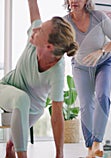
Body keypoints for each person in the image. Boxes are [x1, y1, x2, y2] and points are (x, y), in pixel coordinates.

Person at [0, 0, 78, 158]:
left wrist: (59, 155)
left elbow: (57, 115)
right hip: (6, 88)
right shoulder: (35, 39)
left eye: (40, 30)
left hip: (33, 110)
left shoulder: (57, 71)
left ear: (48, 46)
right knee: (22, 98)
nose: (35, 29)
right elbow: (34, 10)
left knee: (11, 145)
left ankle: (12, 149)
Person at [63, 0, 111, 157]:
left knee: (103, 96)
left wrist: (100, 51)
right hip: (81, 67)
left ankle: (97, 142)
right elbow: (63, 47)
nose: (74, 0)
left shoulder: (98, 17)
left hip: (105, 62)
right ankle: (90, 148)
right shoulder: (65, 22)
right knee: (86, 104)